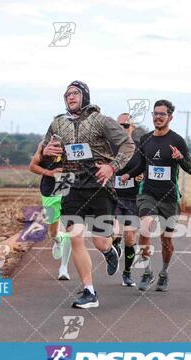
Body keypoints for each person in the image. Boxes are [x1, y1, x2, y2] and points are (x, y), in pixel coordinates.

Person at [42, 80, 135, 308]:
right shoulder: (58, 124)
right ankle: (89, 292)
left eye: (75, 93)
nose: (70, 97)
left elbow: (128, 146)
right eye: (67, 94)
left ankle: (109, 248)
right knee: (75, 236)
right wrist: (47, 152)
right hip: (72, 186)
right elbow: (47, 152)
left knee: (100, 241)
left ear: (85, 96)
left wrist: (112, 167)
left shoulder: (101, 121)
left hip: (99, 185)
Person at [121, 99, 191, 292]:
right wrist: (129, 174)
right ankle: (147, 271)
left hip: (169, 197)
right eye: (155, 113)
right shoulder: (145, 139)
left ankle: (163, 272)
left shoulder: (177, 140)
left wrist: (180, 158)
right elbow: (142, 165)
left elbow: (190, 168)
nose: (158, 117)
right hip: (148, 193)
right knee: (145, 228)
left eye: (162, 114)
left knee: (166, 240)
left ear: (170, 117)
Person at [29, 139, 71, 280]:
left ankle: (64, 268)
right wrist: (50, 172)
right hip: (49, 189)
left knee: (69, 229)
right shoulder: (44, 144)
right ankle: (57, 241)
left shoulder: (76, 142)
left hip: (67, 183)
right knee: (53, 232)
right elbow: (33, 166)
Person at [111, 113, 143, 287]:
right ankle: (115, 246)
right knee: (113, 232)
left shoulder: (140, 148)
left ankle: (127, 273)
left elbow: (146, 168)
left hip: (132, 197)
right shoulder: (109, 147)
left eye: (126, 125)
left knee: (130, 237)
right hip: (112, 197)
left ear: (133, 128)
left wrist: (142, 176)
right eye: (120, 125)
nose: (123, 128)